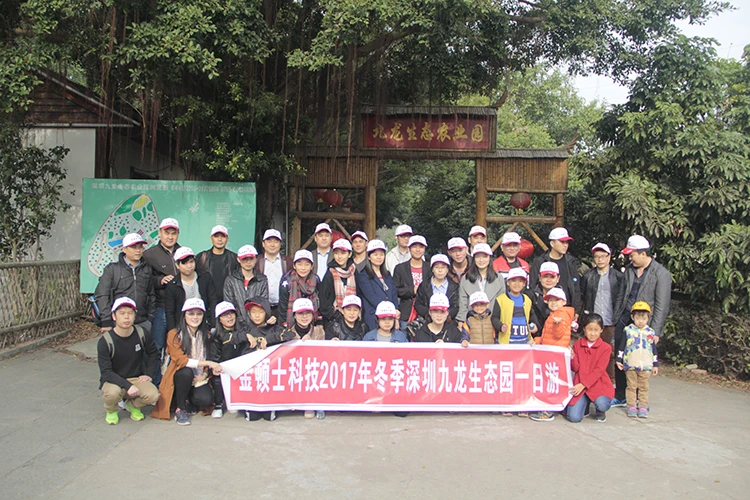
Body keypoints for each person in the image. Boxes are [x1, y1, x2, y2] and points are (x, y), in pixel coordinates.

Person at [611, 235, 671, 407]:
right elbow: (621, 295)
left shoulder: (661, 274)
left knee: (641, 362)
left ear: (643, 254)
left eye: (632, 255)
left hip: (644, 325)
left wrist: (656, 331)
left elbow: (661, 305)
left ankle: (639, 399)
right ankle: (621, 395)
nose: (630, 258)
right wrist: (616, 318)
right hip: (625, 319)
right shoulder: (629, 270)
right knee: (620, 357)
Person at [152, 298, 223, 426]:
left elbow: (209, 356)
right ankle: (180, 409)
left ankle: (189, 400)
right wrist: (207, 363)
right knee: (186, 372)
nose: (195, 317)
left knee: (206, 400)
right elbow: (181, 360)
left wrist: (204, 374)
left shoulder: (206, 334)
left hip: (199, 376)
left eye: (199, 314)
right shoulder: (174, 334)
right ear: (184, 315)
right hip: (179, 376)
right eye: (191, 313)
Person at [97, 297, 159, 425]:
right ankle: (111, 411)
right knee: (112, 394)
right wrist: (128, 386)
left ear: (135, 316)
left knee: (153, 395)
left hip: (136, 378)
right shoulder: (105, 341)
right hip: (114, 380)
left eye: (130, 313)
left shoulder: (142, 333)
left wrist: (149, 374)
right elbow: (106, 372)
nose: (126, 317)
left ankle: (133, 406)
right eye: (122, 313)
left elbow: (153, 353)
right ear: (114, 316)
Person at [243, 297, 298, 421]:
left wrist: (269, 339)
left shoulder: (273, 328)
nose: (257, 315)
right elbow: (228, 337)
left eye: (260, 312)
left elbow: (290, 334)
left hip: (269, 376)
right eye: (253, 312)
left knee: (269, 417)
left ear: (267, 312)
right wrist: (246, 336)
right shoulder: (245, 329)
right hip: (251, 376)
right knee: (252, 418)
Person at [143, 217, 181, 379]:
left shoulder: (183, 253)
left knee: (178, 347)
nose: (170, 237)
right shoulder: (149, 255)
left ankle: (173, 386)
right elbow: (144, 280)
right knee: (157, 346)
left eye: (173, 233)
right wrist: (160, 280)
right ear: (160, 233)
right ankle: (155, 383)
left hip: (179, 309)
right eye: (167, 233)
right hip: (160, 307)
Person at [580, 242, 624, 382]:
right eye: (597, 256)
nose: (600, 259)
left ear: (609, 257)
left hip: (610, 320)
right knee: (591, 352)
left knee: (609, 352)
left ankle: (609, 381)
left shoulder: (618, 277)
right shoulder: (588, 276)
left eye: (603, 256)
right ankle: (590, 380)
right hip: (593, 320)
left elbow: (621, 298)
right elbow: (583, 297)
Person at [95, 233, 155, 334]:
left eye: (140, 247)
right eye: (133, 247)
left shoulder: (146, 269)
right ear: (124, 249)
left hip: (142, 322)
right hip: (118, 323)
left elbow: (151, 294)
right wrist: (106, 320)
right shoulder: (112, 269)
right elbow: (103, 295)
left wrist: (150, 318)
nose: (138, 250)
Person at [566, 313, 614, 423]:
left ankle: (600, 411)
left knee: (602, 404)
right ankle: (585, 404)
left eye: (596, 330)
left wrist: (583, 384)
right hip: (580, 384)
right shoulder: (578, 344)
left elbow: (599, 370)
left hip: (598, 384)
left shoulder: (606, 348)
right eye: (589, 329)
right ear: (584, 329)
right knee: (573, 418)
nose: (592, 333)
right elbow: (575, 368)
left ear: (601, 330)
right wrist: (572, 357)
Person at [617, 302, 659, 418]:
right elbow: (622, 346)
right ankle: (631, 405)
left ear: (648, 318)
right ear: (632, 317)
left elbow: (653, 349)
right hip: (631, 364)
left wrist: (655, 364)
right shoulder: (628, 330)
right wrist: (619, 359)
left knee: (644, 387)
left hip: (646, 365)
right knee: (631, 386)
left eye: (643, 319)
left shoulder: (650, 332)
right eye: (638, 318)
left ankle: (643, 406)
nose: (640, 321)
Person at [208, 301, 247, 418]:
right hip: (224, 369)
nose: (229, 317)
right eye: (225, 315)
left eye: (231, 313)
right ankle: (218, 405)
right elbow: (214, 357)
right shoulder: (216, 336)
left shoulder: (244, 331)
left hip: (241, 367)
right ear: (219, 319)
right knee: (217, 378)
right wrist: (216, 366)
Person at [165, 247, 218, 332]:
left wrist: (214, 324)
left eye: (191, 262)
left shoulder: (205, 277)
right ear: (177, 265)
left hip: (205, 323)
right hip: (183, 326)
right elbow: (170, 311)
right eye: (185, 263)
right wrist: (172, 331)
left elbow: (213, 301)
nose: (189, 266)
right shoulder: (172, 285)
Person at [529, 227, 581, 313]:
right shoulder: (539, 261)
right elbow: (533, 286)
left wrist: (576, 310)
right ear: (552, 243)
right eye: (562, 242)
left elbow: (576, 288)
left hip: (566, 308)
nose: (565, 245)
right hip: (543, 309)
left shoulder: (571, 262)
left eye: (566, 242)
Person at [291, 298, 327, 420]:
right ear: (294, 315)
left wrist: (313, 345)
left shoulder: (319, 331)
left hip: (313, 369)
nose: (305, 317)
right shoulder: (288, 334)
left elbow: (324, 356)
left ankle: (313, 402)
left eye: (308, 313)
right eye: (301, 313)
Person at [223, 245, 270, 332]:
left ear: (256, 259)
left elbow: (263, 304)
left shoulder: (262, 279)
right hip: (236, 328)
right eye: (245, 259)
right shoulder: (231, 280)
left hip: (257, 327)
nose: (248, 262)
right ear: (238, 259)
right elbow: (229, 305)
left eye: (251, 259)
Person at [457, 243, 506, 325]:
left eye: (485, 256)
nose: (481, 260)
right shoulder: (466, 279)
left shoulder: (498, 278)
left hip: (492, 323)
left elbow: (502, 303)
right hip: (471, 323)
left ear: (490, 258)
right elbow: (463, 304)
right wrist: (461, 321)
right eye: (478, 257)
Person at [356, 239, 399, 331]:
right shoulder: (363, 276)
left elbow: (393, 294)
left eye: (381, 254)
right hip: (373, 317)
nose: (379, 257)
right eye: (375, 254)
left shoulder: (387, 274)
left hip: (390, 317)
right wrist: (389, 310)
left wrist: (395, 310)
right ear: (369, 257)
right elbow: (372, 297)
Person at [254, 229, 293, 318]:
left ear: (280, 244)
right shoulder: (256, 261)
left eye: (276, 241)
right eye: (269, 241)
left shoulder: (288, 261)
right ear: (263, 244)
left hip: (283, 307)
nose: (272, 244)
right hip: (261, 307)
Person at [493, 268, 538, 345]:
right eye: (513, 281)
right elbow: (494, 317)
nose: (517, 284)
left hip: (525, 341)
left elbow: (532, 315)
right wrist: (500, 326)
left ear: (524, 284)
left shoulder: (527, 299)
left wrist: (534, 325)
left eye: (520, 281)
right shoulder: (500, 299)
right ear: (508, 282)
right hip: (507, 342)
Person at [195, 225, 239, 302]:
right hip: (207, 302)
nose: (220, 239)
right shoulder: (202, 257)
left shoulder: (234, 258)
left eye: (223, 236)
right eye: (216, 236)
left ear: (227, 239)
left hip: (228, 302)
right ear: (211, 238)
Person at [393, 235, 431, 324]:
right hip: (406, 313)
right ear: (409, 249)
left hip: (426, 313)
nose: (418, 250)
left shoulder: (430, 268)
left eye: (421, 247)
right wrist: (412, 290)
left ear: (424, 249)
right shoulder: (400, 268)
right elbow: (395, 290)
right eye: (414, 247)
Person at [319, 239, 357, 323]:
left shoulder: (354, 271)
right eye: (336, 253)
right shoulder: (330, 273)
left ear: (349, 254)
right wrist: (335, 315)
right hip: (334, 320)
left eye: (343, 253)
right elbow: (323, 299)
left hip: (353, 318)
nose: (339, 256)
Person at [279, 249, 320, 327]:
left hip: (310, 322)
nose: (303, 268)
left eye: (307, 264)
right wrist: (284, 325)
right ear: (294, 266)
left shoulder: (316, 280)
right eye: (299, 264)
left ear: (312, 266)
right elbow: (283, 307)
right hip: (291, 323)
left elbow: (319, 303)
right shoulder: (287, 281)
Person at [414, 254, 459, 321]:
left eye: (443, 267)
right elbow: (418, 304)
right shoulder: (424, 285)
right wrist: (431, 315)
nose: (440, 270)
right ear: (432, 269)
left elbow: (456, 306)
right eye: (437, 267)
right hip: (427, 320)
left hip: (448, 321)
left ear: (447, 269)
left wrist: (444, 316)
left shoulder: (454, 287)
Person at [530, 262, 561, 341]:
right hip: (534, 338)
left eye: (552, 277)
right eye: (545, 276)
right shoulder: (531, 295)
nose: (548, 280)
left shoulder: (563, 297)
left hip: (556, 338)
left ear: (558, 278)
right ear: (539, 277)